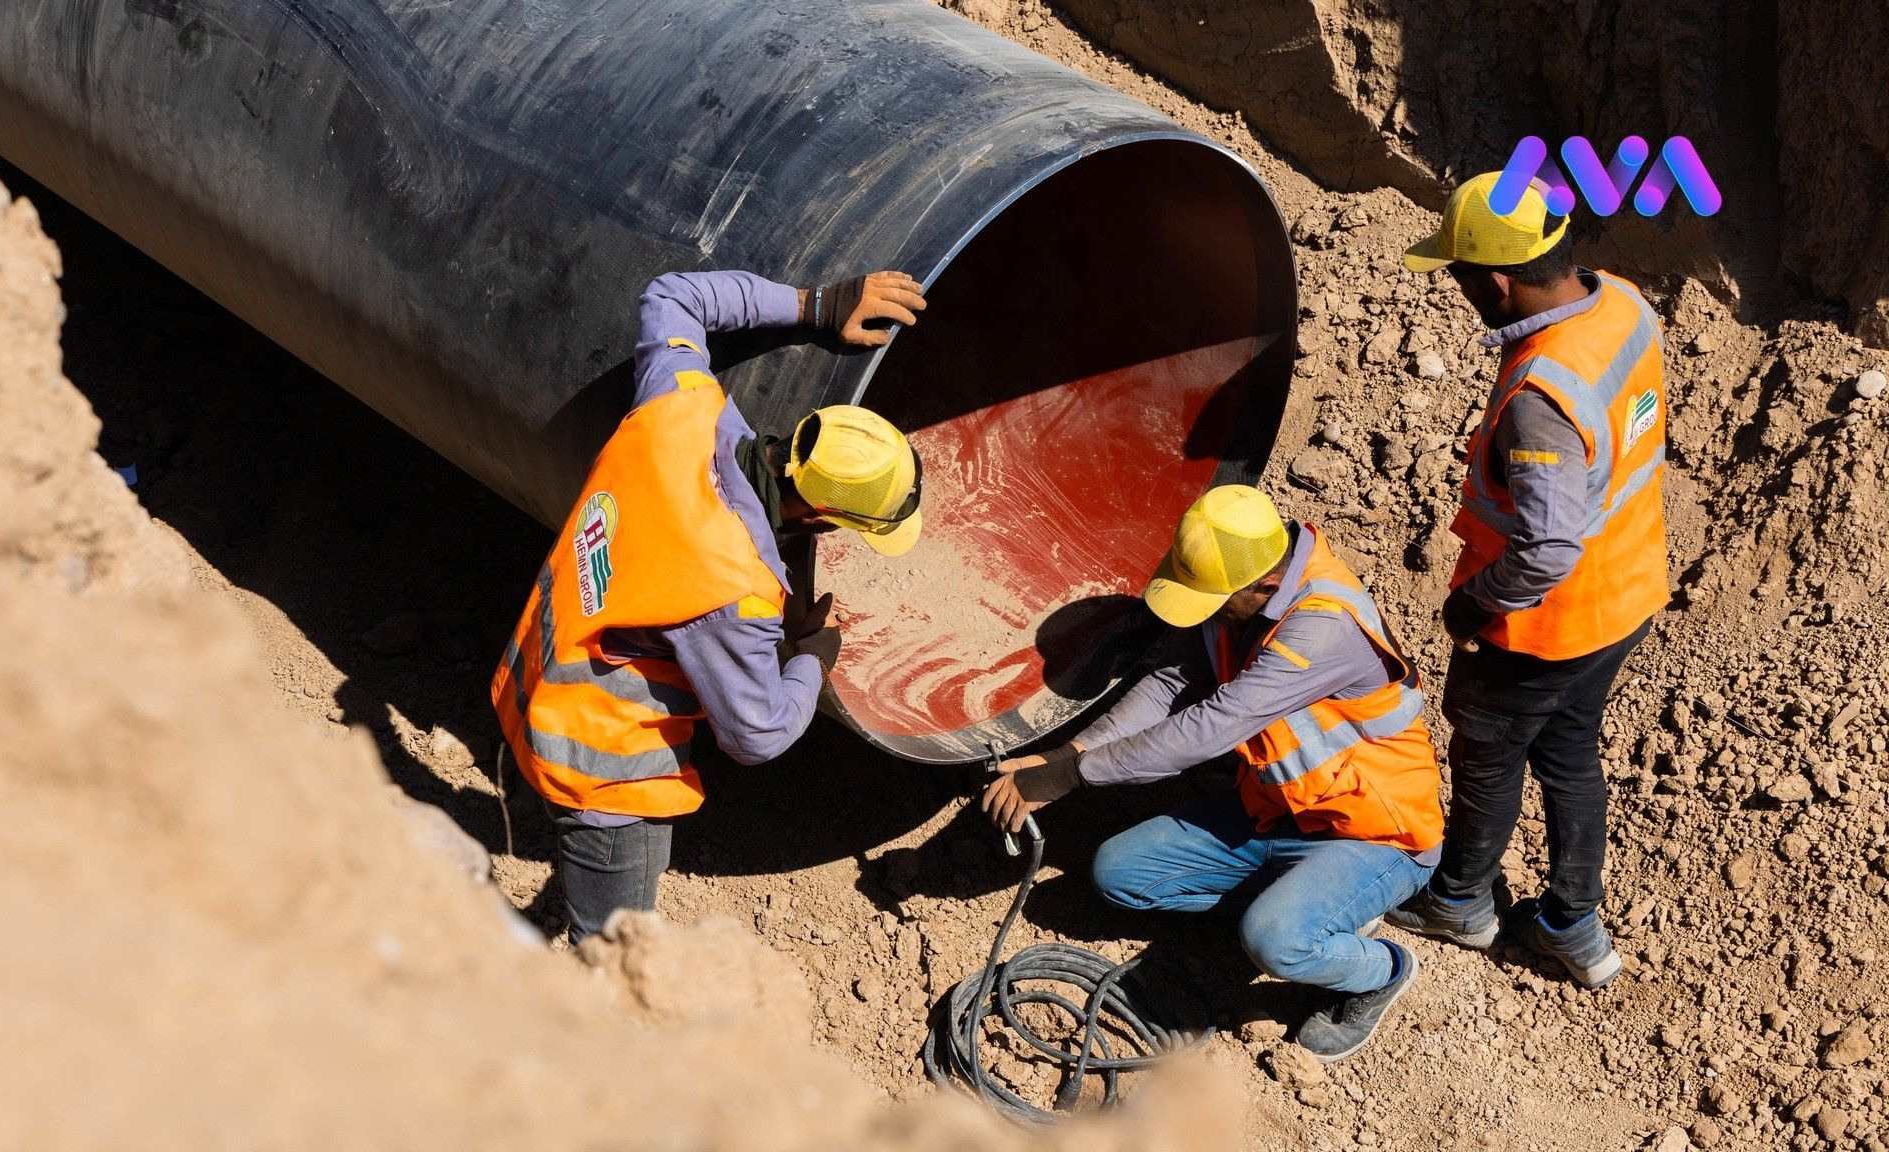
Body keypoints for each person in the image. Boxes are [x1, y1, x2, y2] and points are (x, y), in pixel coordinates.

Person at [490, 268, 928, 944]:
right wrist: (812, 656)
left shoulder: (682, 404)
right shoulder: (732, 587)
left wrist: (816, 305)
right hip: (606, 772)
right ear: (818, 512)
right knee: (612, 952)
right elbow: (757, 734)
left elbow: (671, 295)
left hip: (538, 673)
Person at [982, 485, 1444, 1062]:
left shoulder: (1322, 628)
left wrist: (1072, 777)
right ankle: (1292, 911)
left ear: (1266, 585)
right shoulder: (1238, 585)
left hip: (1374, 836)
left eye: (1216, 601)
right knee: (1119, 874)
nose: (1206, 612)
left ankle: (1380, 970)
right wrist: (1066, 754)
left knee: (1276, 940)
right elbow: (1172, 683)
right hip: (1273, 812)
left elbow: (1209, 727)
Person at [1383, 173, 1669, 988]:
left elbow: (1545, 549)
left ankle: (1462, 901)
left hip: (1546, 627)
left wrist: (1470, 605)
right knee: (1571, 752)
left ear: (1497, 281)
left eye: (1461, 275)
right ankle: (1573, 924)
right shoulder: (1621, 305)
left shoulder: (1541, 397)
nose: (1460, 289)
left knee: (1489, 752)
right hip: (1629, 592)